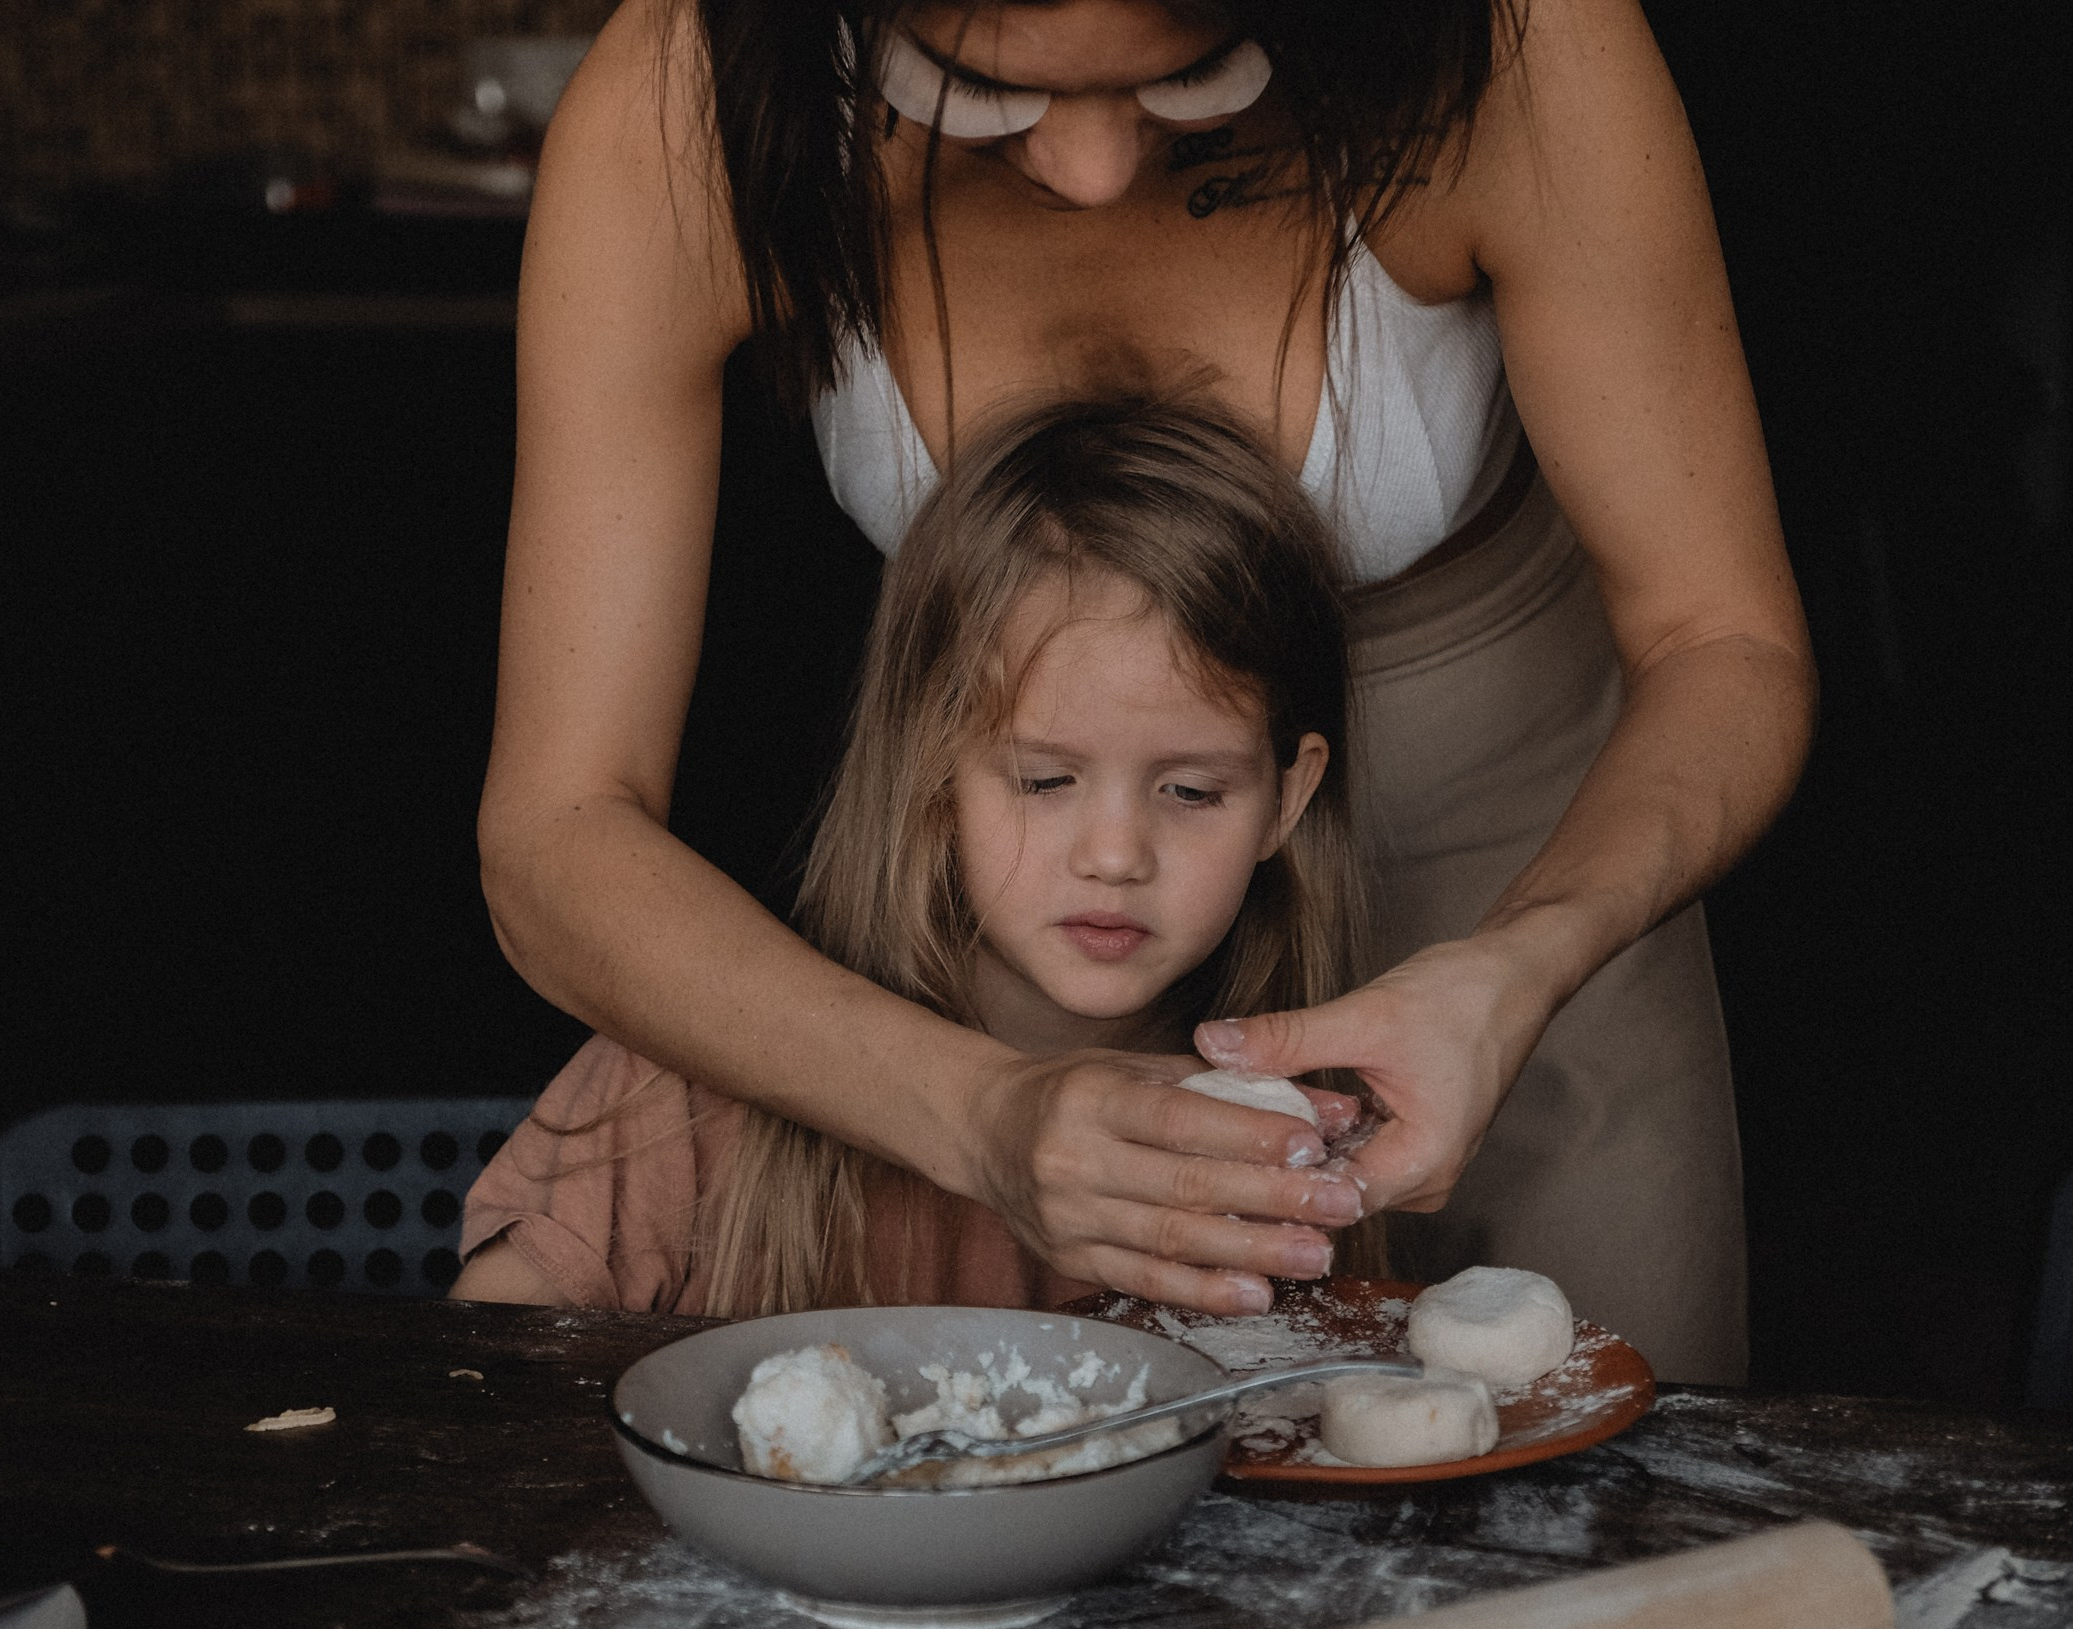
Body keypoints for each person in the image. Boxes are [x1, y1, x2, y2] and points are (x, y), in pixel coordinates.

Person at [478, 0, 1814, 1378]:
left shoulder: (1517, 44)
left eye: (1197, 77)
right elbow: (556, 831)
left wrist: (1522, 963)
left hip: (1525, 884)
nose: (1098, 164)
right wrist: (986, 1112)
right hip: (1019, 1010)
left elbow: (1726, 641)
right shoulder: (689, 106)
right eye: (981, 95)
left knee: (1601, 1519)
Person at [454, 396, 1367, 1312]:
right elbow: (479, 1392)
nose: (1117, 855)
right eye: (1043, 781)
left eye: (1192, 791)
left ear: (1286, 797)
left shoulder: (1289, 1143)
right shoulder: (684, 1073)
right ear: (932, 772)